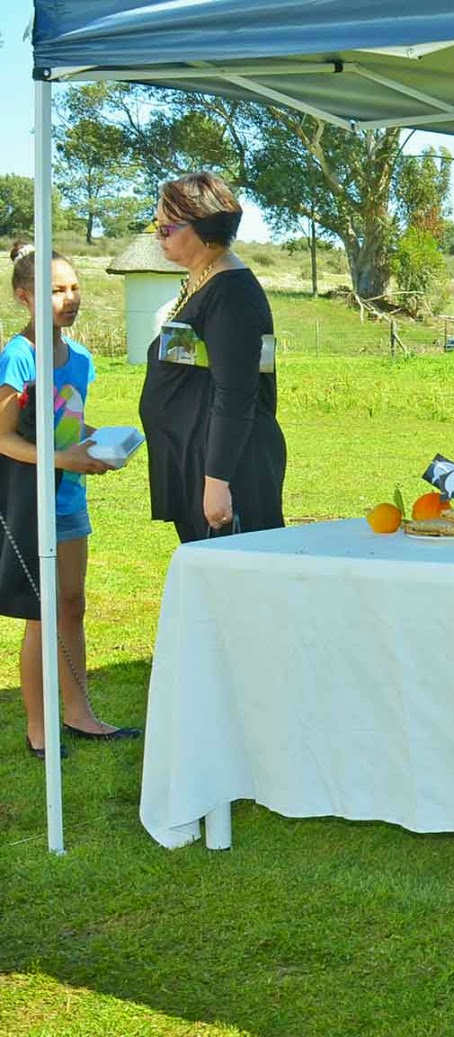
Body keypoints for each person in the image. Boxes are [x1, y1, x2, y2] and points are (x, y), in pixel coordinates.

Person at [0, 243, 139, 757]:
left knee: (72, 605)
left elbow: (68, 424)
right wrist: (63, 460)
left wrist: (106, 443)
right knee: (43, 611)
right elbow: (4, 438)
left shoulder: (79, 358)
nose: (70, 298)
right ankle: (39, 728)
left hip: (69, 499)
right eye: (56, 291)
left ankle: (80, 715)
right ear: (25, 297)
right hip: (31, 499)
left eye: (75, 288)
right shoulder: (18, 357)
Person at [139, 172, 285, 543]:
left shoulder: (231, 294)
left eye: (166, 228)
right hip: (199, 460)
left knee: (237, 590)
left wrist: (217, 481)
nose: (158, 236)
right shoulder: (202, 281)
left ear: (201, 228)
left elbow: (235, 392)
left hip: (228, 469)